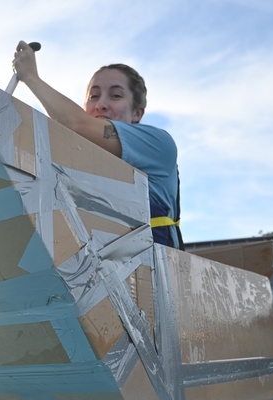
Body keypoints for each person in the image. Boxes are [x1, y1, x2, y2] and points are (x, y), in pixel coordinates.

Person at [11, 42, 183, 249]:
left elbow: (76, 124)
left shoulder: (158, 144)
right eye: (94, 96)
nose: (101, 103)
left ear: (138, 113)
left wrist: (30, 77)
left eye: (116, 95)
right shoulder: (70, 161)